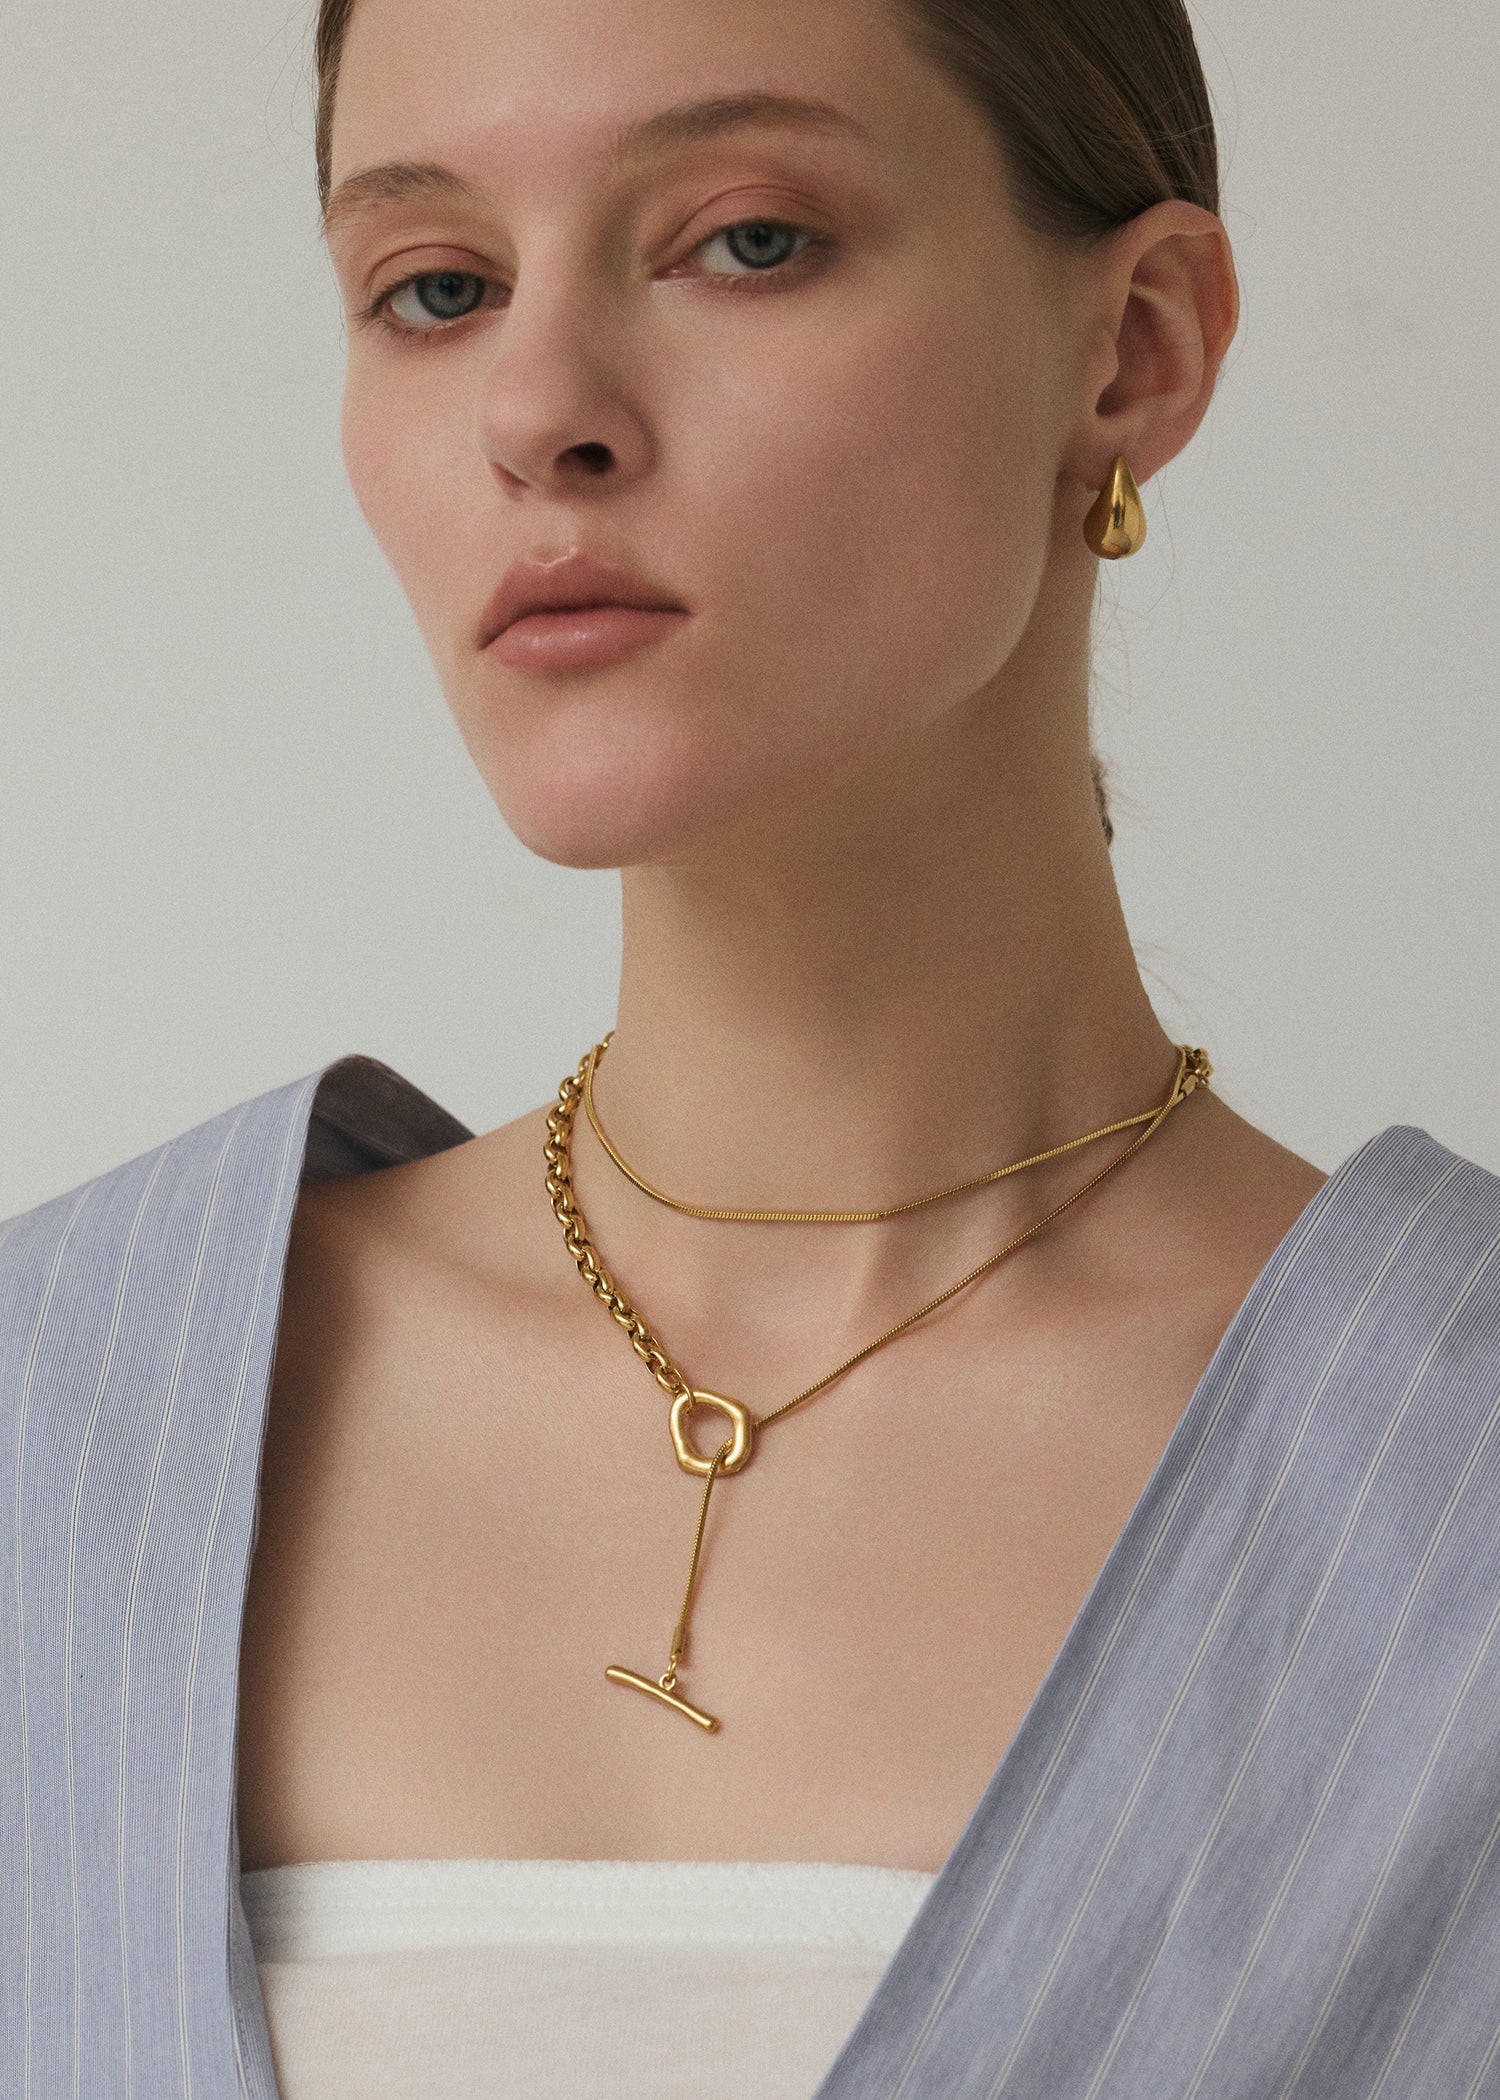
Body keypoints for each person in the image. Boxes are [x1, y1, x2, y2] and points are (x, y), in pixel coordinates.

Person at [4, 0, 1499, 2094]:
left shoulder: (1450, 1480)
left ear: (1136, 349)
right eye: (435, 287)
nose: (539, 411)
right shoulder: (49, 1429)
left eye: (747, 241)